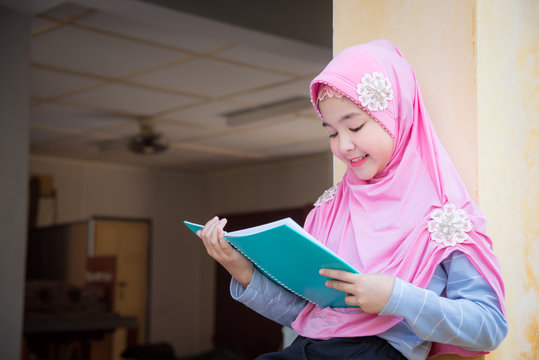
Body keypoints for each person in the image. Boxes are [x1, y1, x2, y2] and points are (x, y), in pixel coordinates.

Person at [196, 40, 507, 360]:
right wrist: (243, 270)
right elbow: (309, 317)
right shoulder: (329, 210)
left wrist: (396, 296)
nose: (343, 145)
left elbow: (489, 327)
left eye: (355, 126)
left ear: (396, 117)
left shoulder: (447, 219)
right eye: (331, 132)